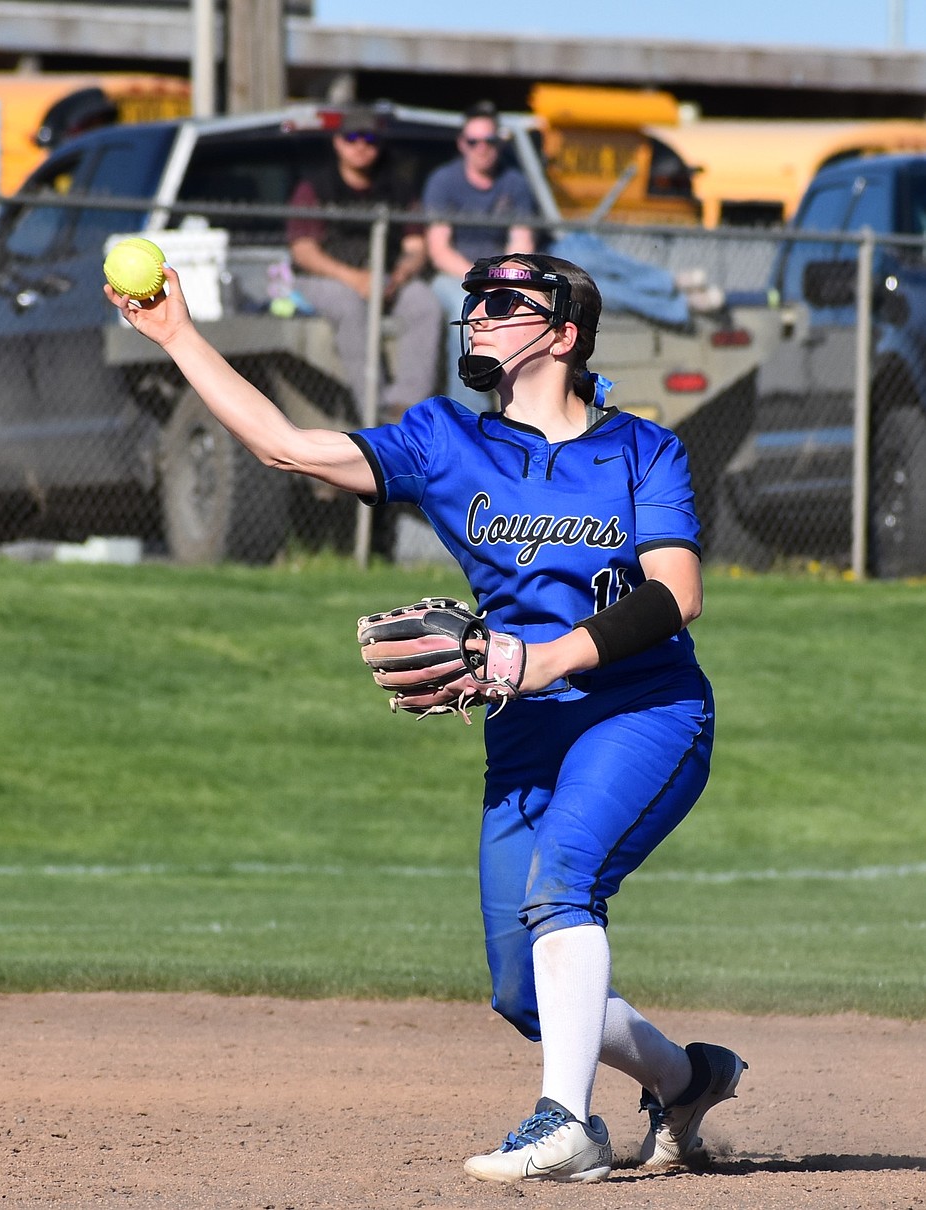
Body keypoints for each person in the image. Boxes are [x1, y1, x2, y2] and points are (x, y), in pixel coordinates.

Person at [104, 249, 746, 1186]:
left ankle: (567, 1123)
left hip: (643, 706)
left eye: (504, 302)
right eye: (474, 300)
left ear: (563, 336)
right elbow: (287, 445)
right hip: (526, 728)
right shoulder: (448, 441)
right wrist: (178, 335)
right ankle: (687, 1083)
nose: (477, 313)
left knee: (564, 881)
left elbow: (676, 593)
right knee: (523, 989)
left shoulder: (642, 449)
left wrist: (543, 658)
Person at [286, 105, 443, 420]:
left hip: (383, 277)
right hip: (323, 279)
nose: (361, 146)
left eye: (369, 139)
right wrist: (353, 278)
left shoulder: (397, 188)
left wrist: (400, 274)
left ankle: (405, 407)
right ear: (338, 143)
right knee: (348, 304)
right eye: (352, 137)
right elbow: (303, 251)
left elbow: (416, 247)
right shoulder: (315, 187)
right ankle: (373, 408)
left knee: (425, 303)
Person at [422, 101, 539, 410]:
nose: (482, 148)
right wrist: (480, 284)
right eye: (474, 141)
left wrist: (502, 282)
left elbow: (522, 243)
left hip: (503, 278)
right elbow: (439, 250)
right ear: (463, 144)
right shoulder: (443, 181)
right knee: (467, 316)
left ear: (499, 142)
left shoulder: (515, 183)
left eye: (489, 140)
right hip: (455, 277)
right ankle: (468, 418)